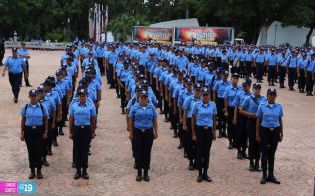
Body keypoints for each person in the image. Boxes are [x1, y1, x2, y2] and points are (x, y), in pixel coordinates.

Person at [128, 90, 158, 182]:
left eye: (145, 98)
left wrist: (155, 132)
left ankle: (146, 173)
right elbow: (131, 120)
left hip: (148, 132)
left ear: (147, 98)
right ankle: (139, 173)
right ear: (139, 98)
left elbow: (154, 120)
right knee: (138, 151)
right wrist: (131, 133)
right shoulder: (134, 107)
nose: (144, 99)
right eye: (142, 98)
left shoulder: (151, 107)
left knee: (147, 152)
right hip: (138, 131)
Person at [256, 88, 283, 184]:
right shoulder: (262, 106)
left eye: (273, 94)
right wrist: (257, 134)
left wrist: (281, 133)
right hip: (264, 131)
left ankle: (271, 175)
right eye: (270, 94)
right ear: (267, 96)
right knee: (264, 154)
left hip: (275, 131)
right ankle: (264, 175)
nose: (272, 96)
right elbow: (258, 120)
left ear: (276, 96)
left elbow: (280, 120)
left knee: (272, 154)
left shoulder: (279, 106)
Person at [20, 89, 49, 179]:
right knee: (31, 151)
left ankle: (39, 171)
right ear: (29, 97)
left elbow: (45, 119)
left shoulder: (42, 107)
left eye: (35, 96)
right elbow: (23, 120)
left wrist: (46, 131)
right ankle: (32, 171)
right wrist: (22, 132)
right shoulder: (25, 107)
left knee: (39, 151)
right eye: (31, 96)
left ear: (37, 96)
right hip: (28, 130)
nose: (33, 97)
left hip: (39, 130)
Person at [69, 88, 96, 180]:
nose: (82, 97)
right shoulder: (74, 106)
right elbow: (71, 119)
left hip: (87, 129)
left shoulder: (90, 106)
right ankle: (77, 170)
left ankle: (84, 170)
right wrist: (70, 132)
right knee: (77, 150)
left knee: (85, 150)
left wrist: (93, 132)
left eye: (84, 95)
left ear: (86, 96)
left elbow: (93, 120)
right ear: (78, 97)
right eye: (81, 96)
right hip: (77, 129)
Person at [192, 87, 217, 182]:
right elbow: (193, 119)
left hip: (208, 130)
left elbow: (214, 119)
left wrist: (214, 132)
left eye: (207, 95)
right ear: (201, 96)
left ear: (209, 96)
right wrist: (193, 133)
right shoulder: (196, 105)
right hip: (200, 130)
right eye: (203, 95)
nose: (205, 97)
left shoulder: (213, 105)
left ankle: (205, 173)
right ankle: (199, 173)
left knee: (207, 152)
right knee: (199, 151)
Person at [240, 83, 266, 171]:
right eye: (256, 88)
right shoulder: (248, 99)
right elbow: (241, 110)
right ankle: (251, 162)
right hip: (251, 122)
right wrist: (251, 114)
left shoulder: (264, 99)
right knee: (251, 143)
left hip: (261, 123)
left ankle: (257, 163)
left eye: (259, 88)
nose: (257, 90)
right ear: (253, 89)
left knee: (259, 143)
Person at [37, 85, 56, 167]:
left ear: (45, 92)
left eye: (42, 92)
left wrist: (53, 123)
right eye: (39, 92)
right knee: (38, 142)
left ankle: (44, 158)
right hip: (37, 123)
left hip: (47, 122)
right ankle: (38, 158)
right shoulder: (34, 101)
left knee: (45, 142)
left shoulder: (49, 101)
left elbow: (53, 111)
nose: (41, 94)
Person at [224, 73, 242, 149]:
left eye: (237, 78)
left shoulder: (240, 89)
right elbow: (225, 100)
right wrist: (226, 111)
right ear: (231, 79)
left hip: (238, 110)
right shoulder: (228, 89)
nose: (235, 80)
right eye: (234, 78)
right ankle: (230, 142)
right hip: (230, 109)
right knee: (230, 126)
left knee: (237, 126)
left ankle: (235, 141)